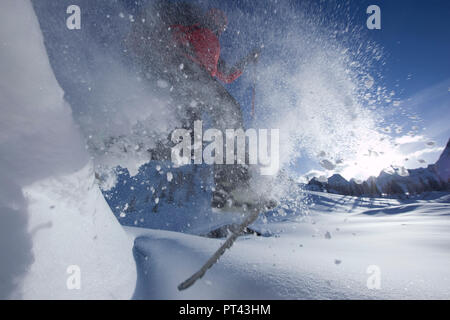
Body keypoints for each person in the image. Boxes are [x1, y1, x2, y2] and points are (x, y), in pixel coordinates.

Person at [127, 2, 272, 210]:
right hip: (183, 69)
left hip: (190, 83)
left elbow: (228, 74)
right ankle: (233, 186)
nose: (220, 25)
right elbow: (166, 29)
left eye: (222, 24)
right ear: (209, 17)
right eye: (217, 19)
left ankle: (133, 146)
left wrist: (249, 59)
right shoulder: (192, 25)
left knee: (188, 145)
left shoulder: (214, 48)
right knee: (228, 111)